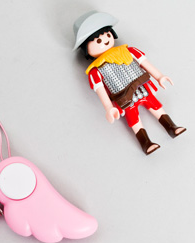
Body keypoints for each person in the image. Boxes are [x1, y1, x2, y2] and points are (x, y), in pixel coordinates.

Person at [73, 11, 186, 154]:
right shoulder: (95, 71)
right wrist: (109, 108)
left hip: (143, 88)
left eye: (107, 35)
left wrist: (159, 76)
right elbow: (100, 90)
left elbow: (145, 64)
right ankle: (145, 143)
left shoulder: (129, 51)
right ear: (86, 49)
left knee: (156, 106)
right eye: (98, 41)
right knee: (134, 119)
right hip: (124, 97)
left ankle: (171, 127)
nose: (105, 41)